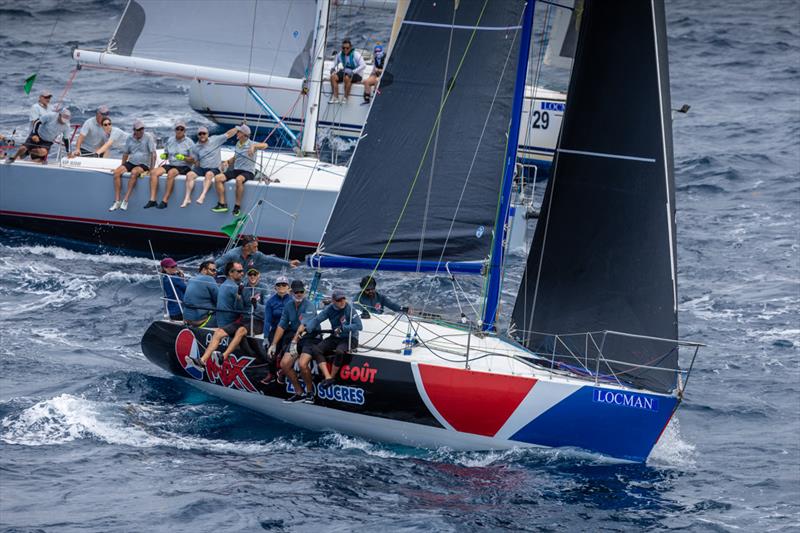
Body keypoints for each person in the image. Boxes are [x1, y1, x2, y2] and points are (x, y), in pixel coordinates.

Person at [290, 289, 363, 401]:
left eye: (343, 298)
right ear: (333, 301)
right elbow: (317, 319)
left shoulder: (349, 309)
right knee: (316, 349)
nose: (342, 301)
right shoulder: (330, 309)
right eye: (339, 300)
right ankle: (327, 377)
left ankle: (331, 377)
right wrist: (307, 329)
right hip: (335, 337)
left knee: (339, 351)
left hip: (349, 338)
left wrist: (343, 328)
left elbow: (359, 326)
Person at [196, 261, 252, 368]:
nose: (242, 274)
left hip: (220, 321)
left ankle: (203, 360)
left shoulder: (224, 284)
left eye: (243, 271)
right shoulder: (234, 288)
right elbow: (240, 310)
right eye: (239, 271)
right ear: (231, 273)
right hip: (230, 324)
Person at [272, 279, 320, 400]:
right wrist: (273, 344)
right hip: (297, 338)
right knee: (284, 364)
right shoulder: (288, 306)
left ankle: (310, 393)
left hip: (310, 337)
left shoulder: (309, 305)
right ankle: (299, 392)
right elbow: (281, 325)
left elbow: (302, 326)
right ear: (291, 292)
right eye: (296, 292)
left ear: (304, 292)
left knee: (302, 364)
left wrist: (294, 342)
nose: (299, 294)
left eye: (301, 291)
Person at [211, 124, 268, 216]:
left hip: (248, 172)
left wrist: (253, 147)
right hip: (236, 170)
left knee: (239, 179)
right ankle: (222, 204)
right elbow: (236, 157)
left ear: (244, 134)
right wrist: (227, 162)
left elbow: (265, 145)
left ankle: (237, 207)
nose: (237, 133)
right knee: (218, 178)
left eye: (239, 132)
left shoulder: (252, 143)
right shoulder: (238, 144)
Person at [144, 120, 195, 209]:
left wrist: (184, 158)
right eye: (177, 129)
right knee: (153, 173)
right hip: (172, 164)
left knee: (171, 173)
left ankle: (165, 201)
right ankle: (152, 200)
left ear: (184, 131)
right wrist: (165, 155)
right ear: (174, 130)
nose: (179, 131)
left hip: (184, 166)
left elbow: (193, 160)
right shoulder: (170, 140)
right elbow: (167, 153)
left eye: (181, 129)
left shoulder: (189, 142)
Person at [181, 126, 237, 207]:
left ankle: (202, 196)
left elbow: (228, 134)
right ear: (198, 136)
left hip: (214, 168)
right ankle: (187, 198)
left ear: (208, 134)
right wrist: (184, 158)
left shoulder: (215, 139)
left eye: (204, 133)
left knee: (209, 174)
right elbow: (196, 161)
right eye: (200, 134)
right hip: (202, 168)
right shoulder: (196, 147)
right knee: (189, 175)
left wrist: (238, 128)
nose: (202, 135)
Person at [109, 119, 156, 211]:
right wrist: (121, 166)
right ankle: (117, 201)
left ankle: (125, 200)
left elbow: (153, 154)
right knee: (117, 173)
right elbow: (125, 153)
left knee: (134, 172)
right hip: (131, 162)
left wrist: (151, 169)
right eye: (138, 129)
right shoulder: (130, 138)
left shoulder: (148, 137)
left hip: (143, 164)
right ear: (134, 130)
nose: (141, 131)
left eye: (142, 129)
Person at [7, 108, 71, 164]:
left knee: (43, 152)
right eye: (62, 119)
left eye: (65, 121)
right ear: (59, 115)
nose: (63, 122)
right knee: (23, 148)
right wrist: (35, 134)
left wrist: (68, 151)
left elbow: (66, 139)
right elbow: (37, 122)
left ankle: (28, 152)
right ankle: (13, 158)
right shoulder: (51, 115)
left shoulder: (66, 126)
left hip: (47, 142)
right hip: (37, 134)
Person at [214, 234, 300, 273]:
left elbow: (270, 259)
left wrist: (288, 263)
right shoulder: (232, 255)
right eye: (255, 246)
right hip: (225, 277)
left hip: (241, 277)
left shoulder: (256, 254)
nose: (257, 248)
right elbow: (216, 264)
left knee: (269, 266)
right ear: (247, 246)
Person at [183, 260, 219, 327]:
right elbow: (219, 299)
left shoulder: (191, 279)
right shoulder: (209, 279)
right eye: (213, 270)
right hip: (199, 320)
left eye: (216, 270)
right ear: (204, 270)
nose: (215, 273)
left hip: (187, 319)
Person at [329, 39, 366, 104]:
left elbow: (363, 65)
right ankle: (335, 97)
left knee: (347, 78)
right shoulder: (340, 54)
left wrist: (353, 72)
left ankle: (345, 98)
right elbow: (334, 63)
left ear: (350, 47)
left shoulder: (356, 54)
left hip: (357, 73)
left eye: (347, 48)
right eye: (343, 48)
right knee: (333, 77)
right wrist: (332, 69)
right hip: (345, 71)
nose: (345, 49)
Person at [263, 275, 291, 344]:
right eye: (278, 285)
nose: (281, 286)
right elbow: (267, 321)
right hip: (275, 330)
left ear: (288, 287)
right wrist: (265, 337)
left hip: (289, 330)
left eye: (284, 284)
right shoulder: (270, 302)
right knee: (270, 349)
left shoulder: (293, 301)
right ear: (275, 287)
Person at [242, 267, 269, 335]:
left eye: (255, 274)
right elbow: (238, 307)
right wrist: (238, 295)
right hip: (245, 318)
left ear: (258, 275)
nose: (252, 276)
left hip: (258, 319)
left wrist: (256, 305)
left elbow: (267, 308)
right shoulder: (243, 287)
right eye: (250, 274)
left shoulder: (264, 287)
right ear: (247, 276)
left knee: (242, 331)